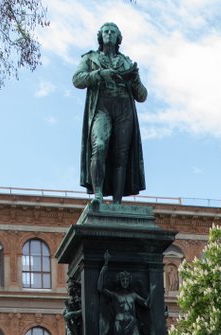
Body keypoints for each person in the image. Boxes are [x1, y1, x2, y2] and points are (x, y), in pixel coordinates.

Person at [73, 22, 147, 205]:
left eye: (113, 32)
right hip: (102, 108)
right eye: (106, 31)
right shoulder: (90, 58)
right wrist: (100, 74)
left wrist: (135, 80)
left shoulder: (127, 62)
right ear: (100, 36)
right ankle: (98, 194)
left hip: (124, 109)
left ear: (118, 38)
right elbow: (77, 80)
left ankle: (117, 202)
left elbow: (142, 96)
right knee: (100, 146)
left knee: (121, 155)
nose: (109, 34)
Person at [97, 251, 153, 335]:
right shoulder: (115, 295)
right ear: (119, 281)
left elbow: (146, 304)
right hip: (119, 324)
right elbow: (100, 288)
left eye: (127, 280)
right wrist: (105, 266)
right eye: (123, 280)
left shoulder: (133, 295)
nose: (125, 282)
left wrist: (153, 291)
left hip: (132, 324)